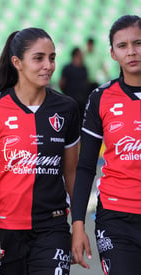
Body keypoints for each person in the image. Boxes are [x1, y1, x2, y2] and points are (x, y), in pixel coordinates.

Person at [0, 27, 80, 274]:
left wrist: (79, 226)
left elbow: (72, 174)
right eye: (38, 58)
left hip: (53, 227)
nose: (48, 65)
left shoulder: (67, 108)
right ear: (17, 62)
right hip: (4, 230)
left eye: (52, 57)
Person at [72, 14, 141, 275]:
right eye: (122, 46)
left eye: (138, 43)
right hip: (115, 217)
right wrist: (78, 223)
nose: (132, 52)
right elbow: (86, 166)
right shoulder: (101, 97)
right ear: (112, 53)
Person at [59, 47, 89, 123]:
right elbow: (62, 83)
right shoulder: (67, 68)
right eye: (80, 54)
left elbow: (86, 82)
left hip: (82, 101)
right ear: (75, 55)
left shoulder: (84, 68)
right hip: (70, 100)